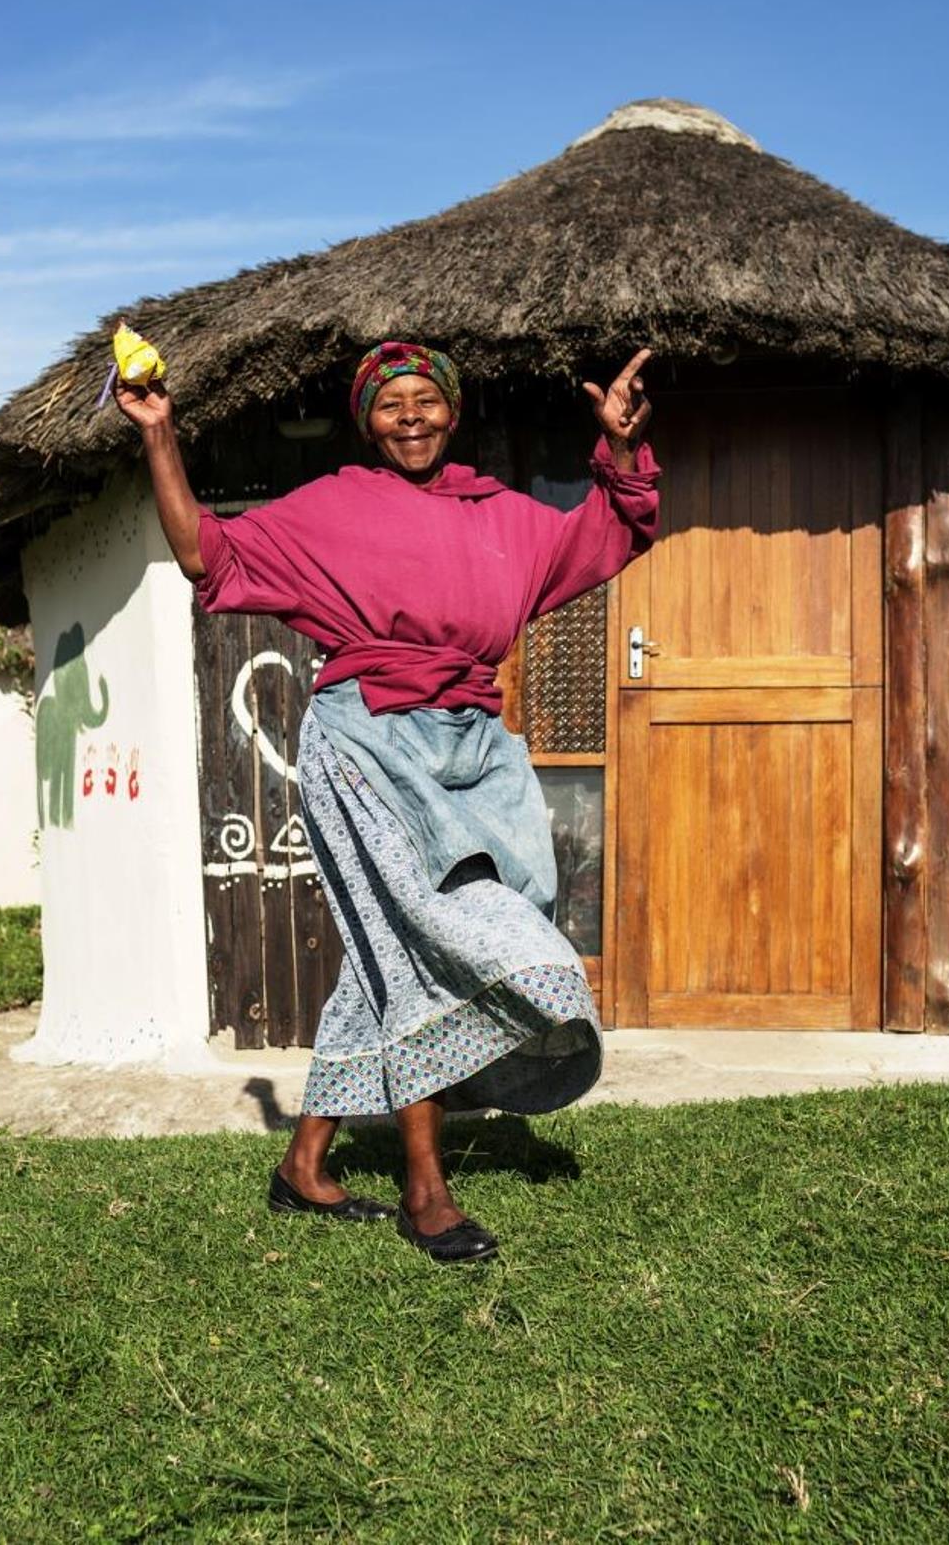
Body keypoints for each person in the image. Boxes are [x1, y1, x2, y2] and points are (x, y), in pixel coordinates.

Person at [116, 340, 659, 1263]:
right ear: (366, 421)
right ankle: (425, 1190)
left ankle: (303, 1167)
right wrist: (162, 436)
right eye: (389, 404)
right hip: (365, 737)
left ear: (452, 413)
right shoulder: (330, 509)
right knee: (416, 940)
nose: (409, 416)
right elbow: (203, 551)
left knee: (399, 945)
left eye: (426, 401)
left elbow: (606, 533)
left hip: (474, 743)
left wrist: (615, 452)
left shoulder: (506, 516)